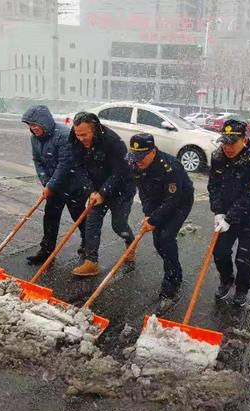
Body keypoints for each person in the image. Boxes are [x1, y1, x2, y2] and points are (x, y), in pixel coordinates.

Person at [126, 133, 194, 314]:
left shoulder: (171, 167)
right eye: (135, 157)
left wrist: (155, 219)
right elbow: (144, 192)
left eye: (141, 157)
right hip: (157, 201)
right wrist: (149, 215)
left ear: (153, 151)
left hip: (180, 201)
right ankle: (175, 268)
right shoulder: (135, 164)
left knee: (166, 237)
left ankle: (171, 280)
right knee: (158, 242)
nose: (137, 161)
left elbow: (173, 199)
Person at [208, 119, 250, 307]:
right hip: (226, 215)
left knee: (243, 258)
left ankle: (242, 289)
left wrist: (230, 217)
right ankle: (227, 280)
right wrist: (218, 212)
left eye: (232, 143)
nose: (227, 147)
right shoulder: (217, 157)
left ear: (244, 139)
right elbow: (214, 186)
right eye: (224, 142)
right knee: (219, 252)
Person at [69, 112, 136, 276]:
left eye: (84, 135)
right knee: (92, 222)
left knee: (118, 225)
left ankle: (130, 241)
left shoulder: (113, 142)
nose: (81, 138)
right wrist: (91, 191)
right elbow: (79, 168)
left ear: (95, 129)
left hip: (121, 188)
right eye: (78, 134)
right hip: (96, 188)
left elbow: (119, 172)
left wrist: (103, 192)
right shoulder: (75, 139)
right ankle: (91, 262)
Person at [21, 105, 87, 265]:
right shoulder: (34, 138)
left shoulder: (63, 135)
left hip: (74, 184)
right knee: (50, 217)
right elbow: (37, 160)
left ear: (44, 122)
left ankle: (88, 246)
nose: (33, 128)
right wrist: (46, 182)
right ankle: (46, 251)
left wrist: (51, 185)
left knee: (79, 217)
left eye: (35, 125)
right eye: (30, 125)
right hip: (55, 186)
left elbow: (65, 164)